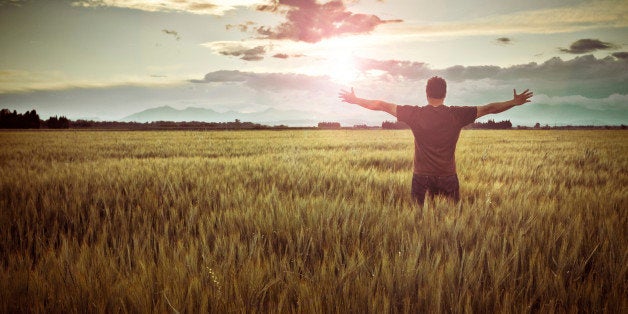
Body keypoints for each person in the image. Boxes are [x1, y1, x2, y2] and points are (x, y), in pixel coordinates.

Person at [338, 76, 533, 206]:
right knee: (451, 227)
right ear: (445, 93)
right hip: (448, 177)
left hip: (421, 177)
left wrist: (356, 100)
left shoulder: (415, 114)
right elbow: (489, 108)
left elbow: (380, 105)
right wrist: (513, 103)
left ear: (427, 93)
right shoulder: (457, 114)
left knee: (418, 225)